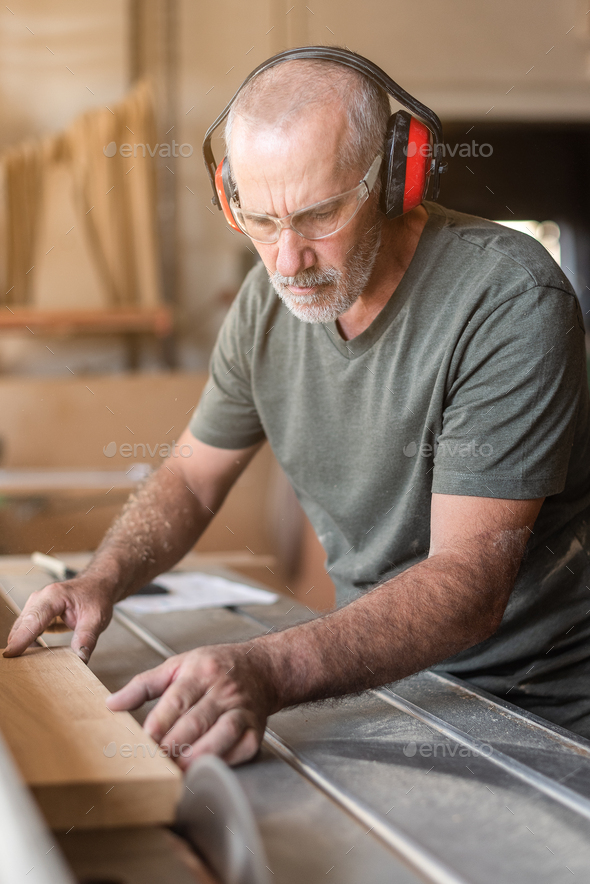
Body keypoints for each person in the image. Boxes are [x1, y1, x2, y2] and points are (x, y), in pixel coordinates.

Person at [5, 52, 590, 768]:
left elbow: (469, 582)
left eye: (319, 215)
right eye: (258, 219)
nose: (287, 261)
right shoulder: (264, 307)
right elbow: (191, 479)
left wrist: (270, 667)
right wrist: (102, 577)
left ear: (396, 178)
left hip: (538, 714)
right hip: (384, 687)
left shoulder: (508, 301)